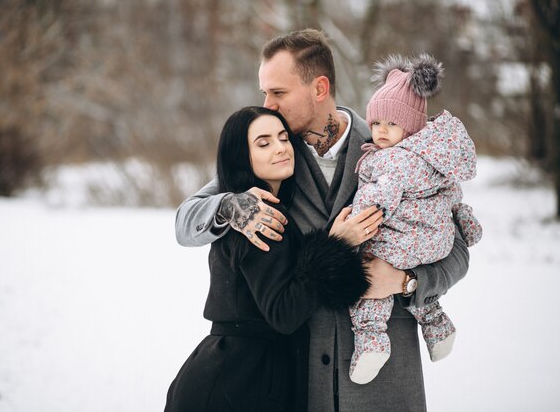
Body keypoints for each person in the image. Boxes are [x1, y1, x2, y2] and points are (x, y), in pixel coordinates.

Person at [175, 29, 470, 411]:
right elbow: (185, 221)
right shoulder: (273, 157)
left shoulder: (394, 145)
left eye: (277, 93)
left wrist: (407, 280)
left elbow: (457, 247)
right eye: (264, 92)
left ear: (319, 88)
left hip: (386, 375)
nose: (267, 104)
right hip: (301, 378)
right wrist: (230, 206)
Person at [164, 106, 370, 412]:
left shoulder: (265, 205)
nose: (281, 149)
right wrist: (336, 245)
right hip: (240, 382)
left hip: (238, 373)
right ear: (241, 157)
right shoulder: (258, 217)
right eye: (264, 143)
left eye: (283, 138)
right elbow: (284, 313)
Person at [346, 54, 483, 385]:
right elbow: (453, 195)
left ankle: (371, 341)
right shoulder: (432, 156)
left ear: (411, 127)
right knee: (417, 289)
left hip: (403, 240)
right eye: (376, 123)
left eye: (391, 125)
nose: (379, 132)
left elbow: (377, 201)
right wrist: (465, 220)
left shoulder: (393, 162)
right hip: (436, 240)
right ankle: (437, 326)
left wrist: (355, 226)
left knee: (370, 276)